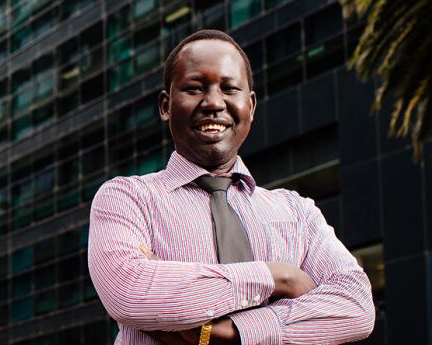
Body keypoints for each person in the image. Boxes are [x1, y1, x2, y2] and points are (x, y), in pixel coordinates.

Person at [87, 30, 375, 345]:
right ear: (165, 106)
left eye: (229, 88)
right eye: (195, 88)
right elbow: (130, 292)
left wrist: (228, 332)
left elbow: (356, 305)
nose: (213, 102)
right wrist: (276, 277)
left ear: (250, 105)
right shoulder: (127, 199)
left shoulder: (298, 212)